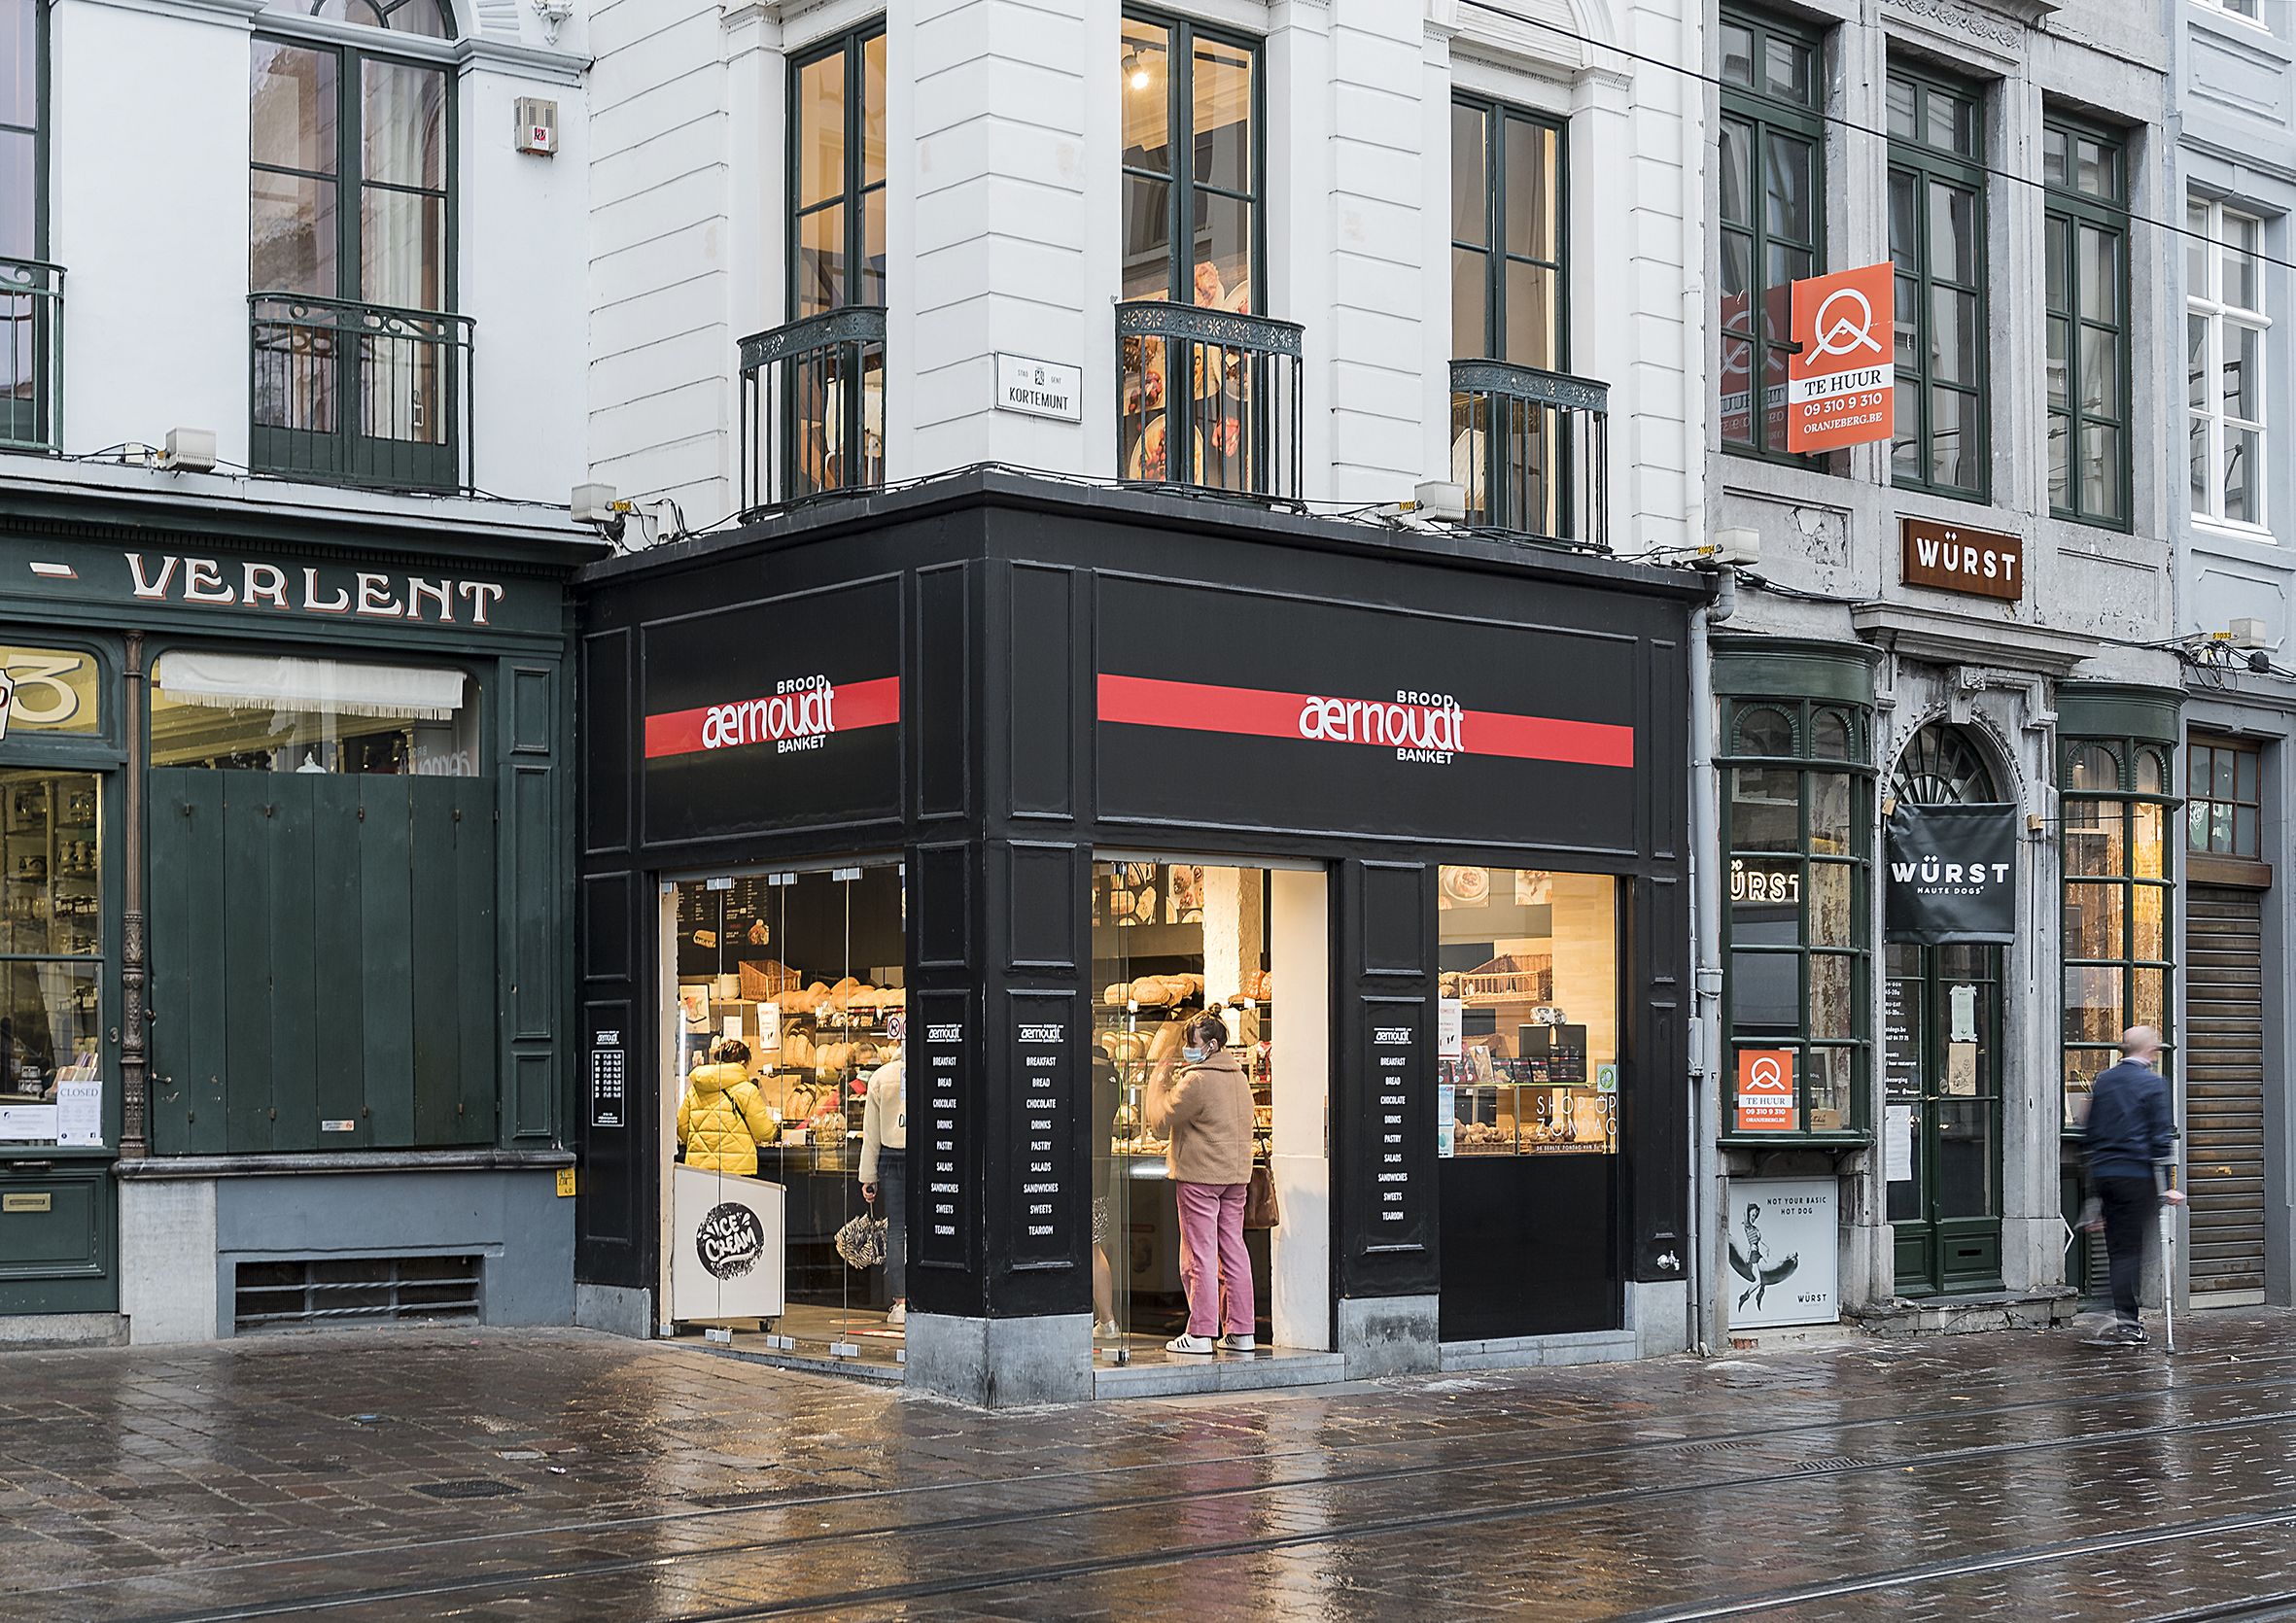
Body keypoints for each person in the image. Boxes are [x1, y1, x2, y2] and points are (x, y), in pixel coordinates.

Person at [1144, 1011, 1256, 1355]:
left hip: (1200, 1178)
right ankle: (1241, 1332)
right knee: (1234, 1251)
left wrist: (1156, 1081)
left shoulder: (1197, 1080)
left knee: (1199, 1254)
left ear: (1210, 1045)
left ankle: (1201, 1333)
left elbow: (1160, 1119)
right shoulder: (1239, 1077)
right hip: (1235, 1178)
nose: (1186, 1052)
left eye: (1190, 1045)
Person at [2081, 1025, 2183, 1348]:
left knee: (2117, 1249)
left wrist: (2095, 1192)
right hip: (2135, 1176)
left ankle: (2120, 1314)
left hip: (2105, 1173)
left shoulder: (2105, 1080)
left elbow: (2091, 1131)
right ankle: (2125, 1322)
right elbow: (2160, 1137)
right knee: (2129, 1251)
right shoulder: (2153, 1085)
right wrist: (2168, 1185)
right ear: (2150, 1051)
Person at [677, 1037, 776, 1175]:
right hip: (736, 1168)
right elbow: (763, 1132)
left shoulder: (695, 1089)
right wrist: (775, 1130)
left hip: (699, 1168)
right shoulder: (747, 1090)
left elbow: (682, 1128)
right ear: (742, 1062)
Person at [858, 1057, 908, 1327]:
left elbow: (871, 1135)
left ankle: (900, 1302)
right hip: (925, 1153)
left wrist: (869, 1178)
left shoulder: (880, 1077)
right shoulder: (931, 1067)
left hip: (891, 1157)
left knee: (896, 1229)